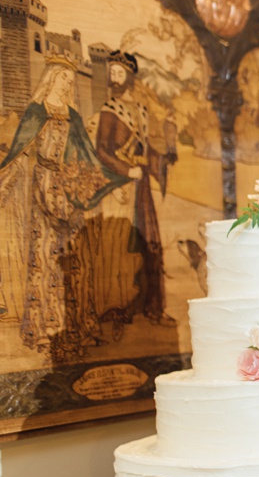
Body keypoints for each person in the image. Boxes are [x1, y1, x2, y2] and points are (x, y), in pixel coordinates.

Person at [0, 54, 125, 358]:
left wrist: (112, 187)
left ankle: (78, 327)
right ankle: (44, 332)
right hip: (43, 189)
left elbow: (88, 160)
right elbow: (19, 152)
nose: (68, 83)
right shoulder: (35, 112)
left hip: (69, 195)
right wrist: (4, 178)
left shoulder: (74, 117)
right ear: (51, 78)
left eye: (71, 79)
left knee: (75, 261)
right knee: (44, 260)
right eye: (63, 78)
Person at [94, 50, 177, 327]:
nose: (114, 79)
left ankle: (153, 307)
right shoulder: (109, 110)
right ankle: (119, 308)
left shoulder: (141, 111)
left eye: (119, 74)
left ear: (129, 77)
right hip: (119, 185)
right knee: (121, 244)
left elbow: (147, 150)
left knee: (148, 242)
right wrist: (125, 169)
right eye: (112, 74)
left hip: (139, 187)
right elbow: (102, 151)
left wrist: (166, 154)